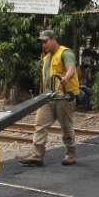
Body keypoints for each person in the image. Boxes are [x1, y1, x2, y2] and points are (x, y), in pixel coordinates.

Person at [20, 30, 80, 166]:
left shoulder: (66, 53)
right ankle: (38, 155)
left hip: (63, 97)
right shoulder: (46, 57)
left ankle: (71, 153)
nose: (43, 44)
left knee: (66, 127)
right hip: (47, 97)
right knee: (40, 125)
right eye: (42, 42)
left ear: (53, 39)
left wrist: (65, 78)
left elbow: (71, 68)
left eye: (45, 41)